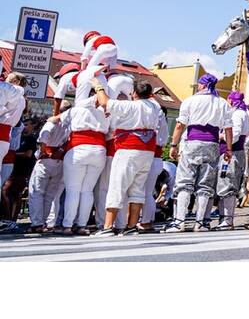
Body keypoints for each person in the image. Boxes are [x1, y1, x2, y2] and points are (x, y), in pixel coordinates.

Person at [90, 76, 160, 236]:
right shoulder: (155, 108)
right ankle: (131, 226)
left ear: (134, 93)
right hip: (148, 150)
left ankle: (107, 226)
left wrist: (98, 86)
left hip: (129, 148)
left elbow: (105, 102)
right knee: (137, 188)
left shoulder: (131, 106)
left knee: (117, 185)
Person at [165, 73, 232, 233]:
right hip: (212, 143)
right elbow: (228, 128)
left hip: (192, 142)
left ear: (202, 85)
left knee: (184, 182)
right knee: (205, 184)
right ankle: (201, 223)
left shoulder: (190, 100)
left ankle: (179, 221)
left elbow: (180, 125)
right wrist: (228, 149)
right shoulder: (222, 103)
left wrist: (173, 145)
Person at [60, 64, 110, 235]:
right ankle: (81, 225)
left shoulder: (78, 107)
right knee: (87, 190)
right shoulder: (106, 109)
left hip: (78, 147)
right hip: (99, 149)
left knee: (73, 189)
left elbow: (61, 123)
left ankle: (67, 225)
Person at [28, 105, 70, 233]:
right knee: (49, 194)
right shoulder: (69, 125)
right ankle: (43, 221)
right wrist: (61, 150)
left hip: (46, 158)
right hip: (59, 161)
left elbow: (43, 138)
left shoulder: (51, 122)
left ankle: (37, 223)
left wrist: (42, 152)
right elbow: (68, 141)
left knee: (36, 192)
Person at [215, 90, 249, 230]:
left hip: (231, 152)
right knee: (230, 183)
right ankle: (225, 218)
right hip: (238, 152)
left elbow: (234, 136)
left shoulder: (236, 114)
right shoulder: (244, 113)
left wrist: (220, 136)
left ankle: (227, 219)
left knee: (227, 183)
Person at [138, 99, 169, 231]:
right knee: (149, 193)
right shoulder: (164, 126)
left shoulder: (153, 124)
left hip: (151, 157)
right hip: (157, 159)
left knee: (143, 192)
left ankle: (144, 220)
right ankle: (148, 220)